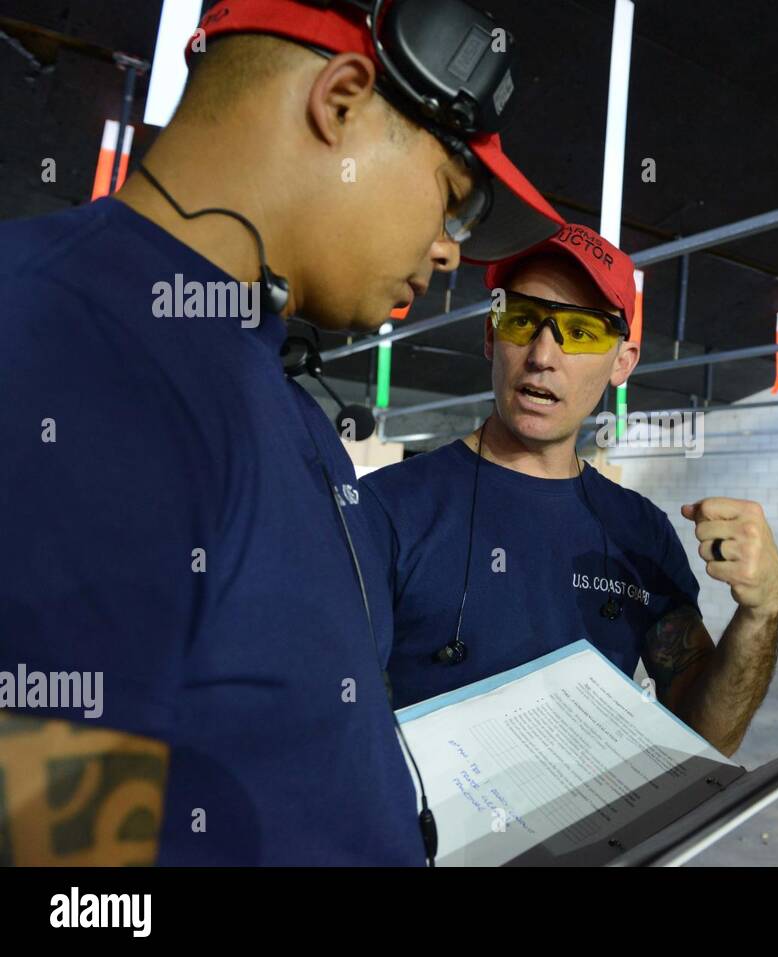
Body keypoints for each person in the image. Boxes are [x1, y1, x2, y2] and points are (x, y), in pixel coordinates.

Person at [0, 0, 562, 865]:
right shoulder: (73, 343)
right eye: (453, 201)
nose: (451, 251)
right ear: (339, 101)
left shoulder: (264, 385)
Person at [360, 222, 778, 756]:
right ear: (492, 336)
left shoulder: (641, 532)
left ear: (622, 363)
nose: (543, 354)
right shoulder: (386, 509)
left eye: (581, 332)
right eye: (522, 320)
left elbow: (707, 739)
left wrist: (762, 615)